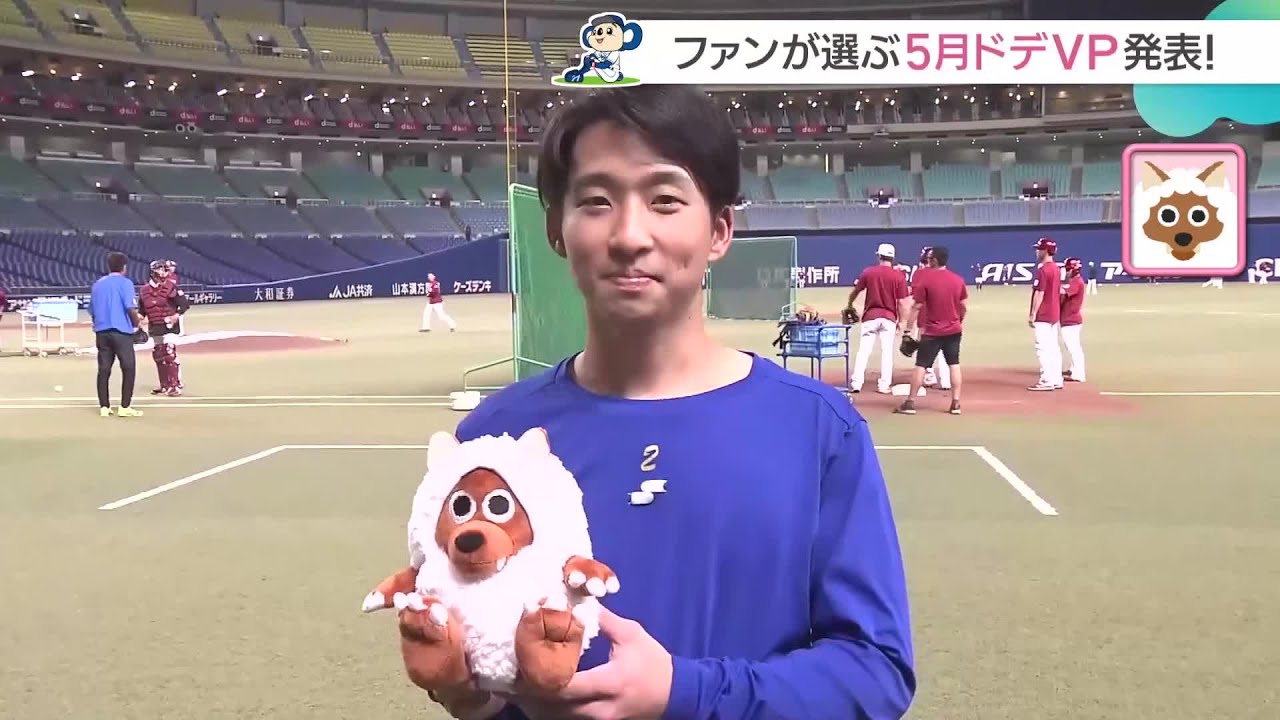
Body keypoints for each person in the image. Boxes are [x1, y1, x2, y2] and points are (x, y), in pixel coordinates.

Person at [397, 85, 915, 720]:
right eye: (596, 201)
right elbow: (467, 641)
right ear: (557, 231)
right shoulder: (494, 440)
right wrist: (469, 693)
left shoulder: (816, 429)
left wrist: (684, 691)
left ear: (719, 230)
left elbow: (875, 672)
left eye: (665, 200)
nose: (629, 235)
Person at [895, 245, 966, 416]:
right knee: (954, 364)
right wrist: (959, 320)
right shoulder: (958, 280)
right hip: (953, 330)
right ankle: (956, 403)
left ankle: (910, 403)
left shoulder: (926, 280)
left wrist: (908, 330)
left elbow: (916, 307)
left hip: (932, 331)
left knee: (921, 365)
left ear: (934, 260)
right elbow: (963, 305)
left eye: (929, 258)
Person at [845, 242, 909, 394]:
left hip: (870, 317)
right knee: (887, 352)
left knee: (863, 351)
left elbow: (856, 291)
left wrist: (850, 303)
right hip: (889, 318)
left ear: (879, 256)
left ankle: (856, 383)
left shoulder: (869, 272)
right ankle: (884, 385)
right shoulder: (898, 276)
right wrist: (902, 321)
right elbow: (902, 303)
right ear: (893, 258)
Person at [88, 251, 145, 417]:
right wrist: (137, 323)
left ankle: (104, 407)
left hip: (102, 331)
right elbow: (130, 307)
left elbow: (92, 310)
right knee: (128, 367)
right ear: (124, 267)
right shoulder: (125, 283)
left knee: (104, 369)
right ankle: (124, 406)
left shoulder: (97, 284)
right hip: (121, 331)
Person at [139, 260, 190, 396]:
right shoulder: (144, 291)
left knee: (169, 352)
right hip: (155, 326)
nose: (164, 272)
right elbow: (142, 311)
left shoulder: (171, 287)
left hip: (169, 327)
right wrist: (137, 320)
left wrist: (176, 315)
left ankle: (174, 385)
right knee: (158, 354)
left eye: (165, 270)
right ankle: (164, 385)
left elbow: (184, 305)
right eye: (161, 269)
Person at [912, 247, 950, 392]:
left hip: (924, 317)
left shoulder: (918, 274)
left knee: (925, 350)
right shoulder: (943, 274)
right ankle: (946, 381)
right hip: (943, 316)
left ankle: (929, 376)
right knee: (944, 350)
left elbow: (916, 299)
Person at [1028, 237, 1063, 392]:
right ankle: (1056, 379)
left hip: (1043, 314)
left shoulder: (1043, 269)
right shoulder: (1056, 268)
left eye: (1039, 249)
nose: (1037, 251)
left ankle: (1046, 380)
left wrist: (1033, 314)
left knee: (1042, 348)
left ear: (1046, 251)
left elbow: (1039, 293)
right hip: (1054, 313)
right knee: (1053, 347)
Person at [1060, 257, 1087, 384]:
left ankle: (1079, 374)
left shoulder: (1076, 281)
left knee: (1074, 348)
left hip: (1071, 320)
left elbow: (1062, 292)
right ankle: (1073, 369)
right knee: (1071, 346)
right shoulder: (1074, 280)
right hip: (1069, 319)